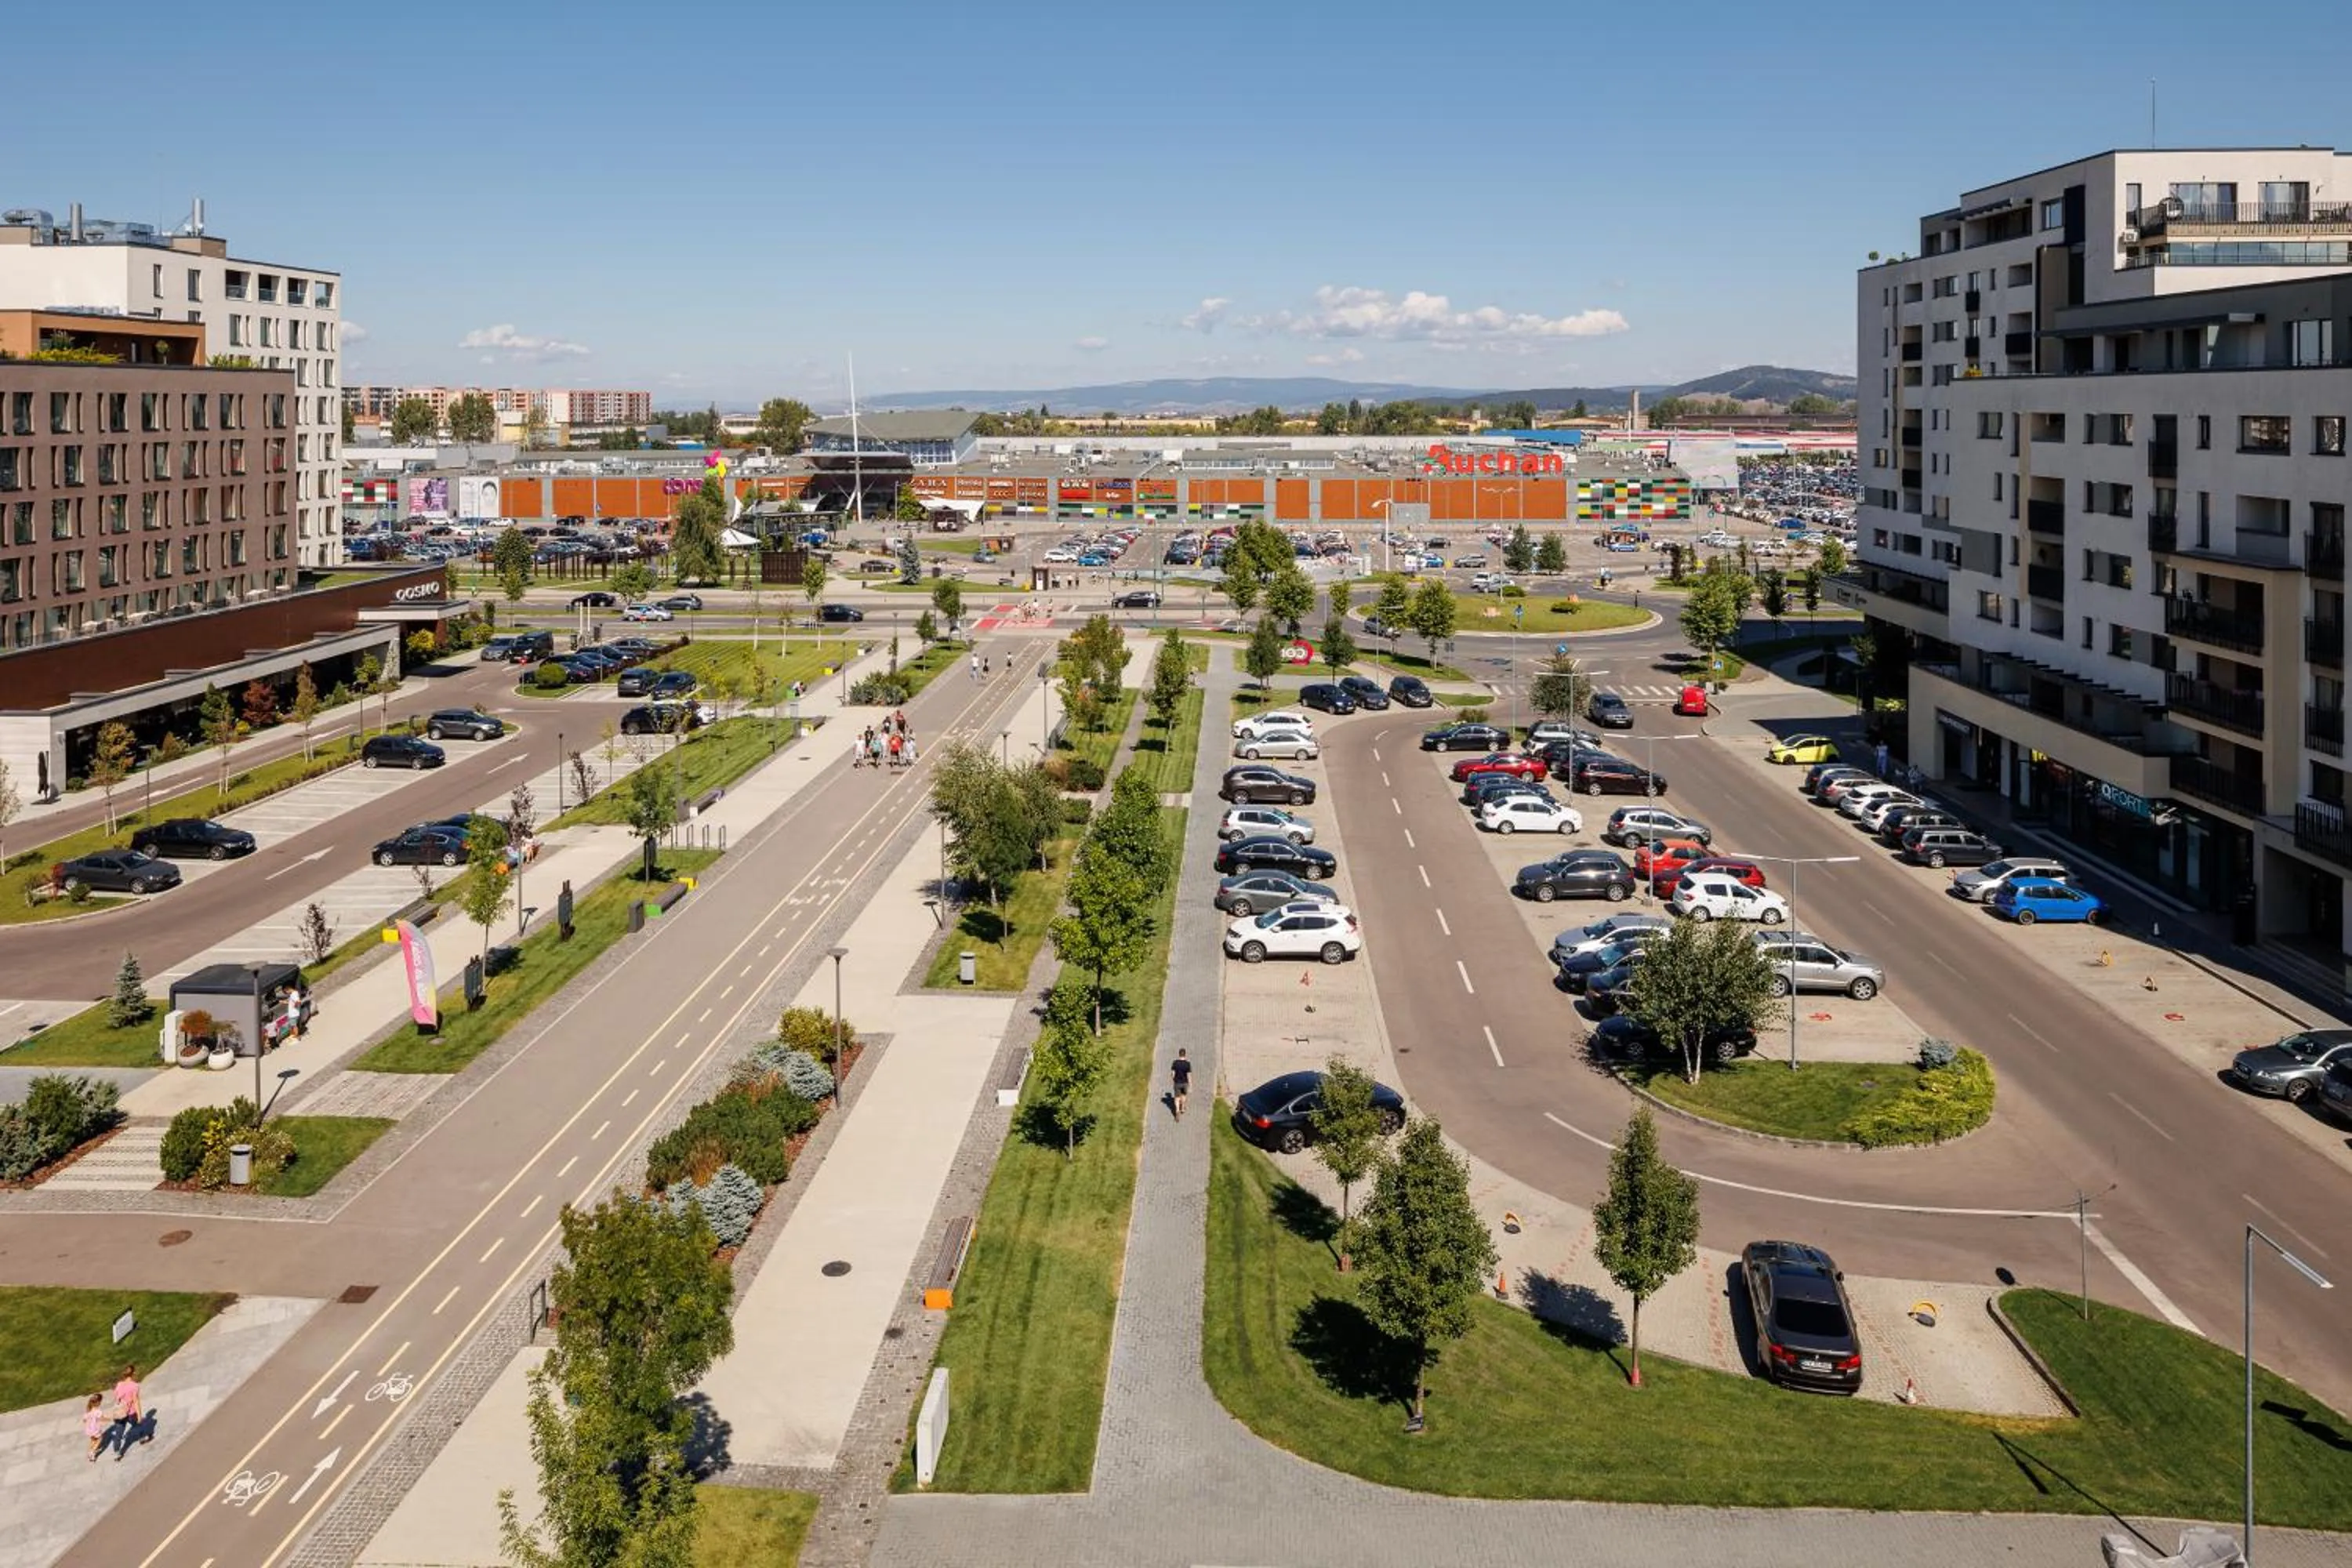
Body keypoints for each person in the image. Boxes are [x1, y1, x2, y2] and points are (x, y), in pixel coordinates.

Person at [85, 1392, 108, 1462]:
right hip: (95, 1429)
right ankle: (92, 1453)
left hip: (89, 1429)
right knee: (100, 1439)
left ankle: (89, 1452)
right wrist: (110, 1419)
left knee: (93, 1440)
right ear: (98, 1403)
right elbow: (102, 1419)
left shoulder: (88, 1410)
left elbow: (84, 1420)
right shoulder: (98, 1412)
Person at [1170, 1047, 1192, 1120]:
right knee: (1184, 1095)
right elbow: (1189, 1075)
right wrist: (1190, 1085)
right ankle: (1182, 1108)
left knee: (1177, 1098)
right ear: (1185, 1054)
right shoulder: (1187, 1064)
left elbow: (1173, 1074)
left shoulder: (1175, 1063)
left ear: (1179, 1054)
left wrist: (1174, 1080)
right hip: (1185, 1083)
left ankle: (1177, 1111)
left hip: (1177, 1083)